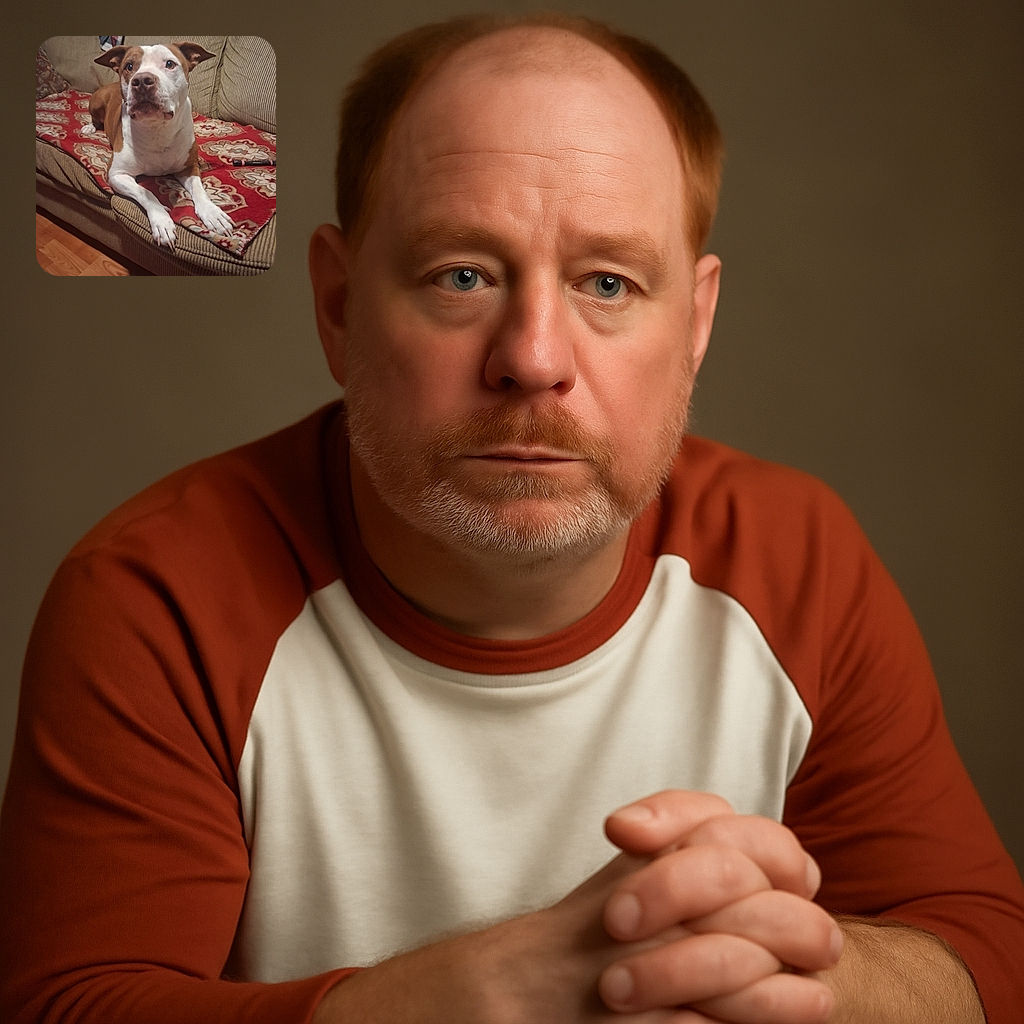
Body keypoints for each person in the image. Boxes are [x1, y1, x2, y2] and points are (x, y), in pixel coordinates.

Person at [2, 12, 1022, 1024]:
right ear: (340, 306)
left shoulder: (799, 562)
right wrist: (454, 1000)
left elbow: (986, 955)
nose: (533, 358)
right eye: (463, 275)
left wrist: (780, 978)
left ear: (696, 323)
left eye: (608, 283)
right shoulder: (158, 595)